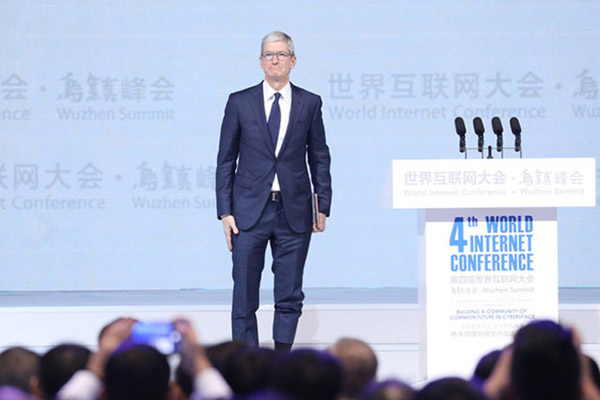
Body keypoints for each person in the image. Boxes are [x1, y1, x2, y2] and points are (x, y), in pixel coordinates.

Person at [216, 30, 332, 352]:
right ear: (260, 61)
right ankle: (246, 364)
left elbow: (319, 157)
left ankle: (282, 363)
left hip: (294, 212)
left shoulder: (310, 103)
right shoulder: (240, 102)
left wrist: (322, 204)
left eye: (281, 54)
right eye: (269, 54)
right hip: (248, 213)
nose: (275, 60)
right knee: (244, 295)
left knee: (290, 294)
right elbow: (225, 160)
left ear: (293, 61)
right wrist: (225, 212)